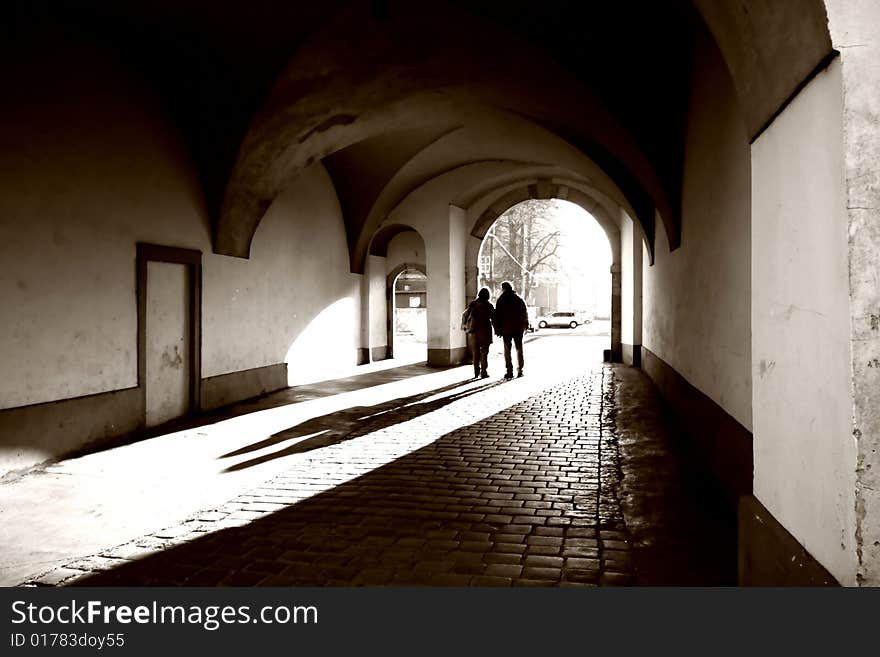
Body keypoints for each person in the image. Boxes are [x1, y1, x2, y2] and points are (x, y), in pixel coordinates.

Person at [494, 281, 529, 380]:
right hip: (518, 328)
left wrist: (497, 329)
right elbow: (524, 313)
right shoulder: (518, 299)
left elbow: (497, 316)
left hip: (506, 329)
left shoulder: (501, 300)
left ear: (503, 288)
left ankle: (509, 371)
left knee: (507, 350)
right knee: (519, 349)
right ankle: (520, 370)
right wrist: (525, 325)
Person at [462, 288, 494, 379]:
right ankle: (484, 372)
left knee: (475, 353)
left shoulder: (473, 304)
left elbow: (465, 314)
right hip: (485, 331)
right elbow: (494, 318)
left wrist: (464, 325)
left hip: (474, 331)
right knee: (484, 353)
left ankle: (476, 372)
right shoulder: (489, 305)